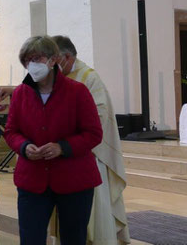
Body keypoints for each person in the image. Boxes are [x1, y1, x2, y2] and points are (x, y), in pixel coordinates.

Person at [3, 36, 102, 245]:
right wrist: (23, 146)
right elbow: (11, 131)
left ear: (53, 59)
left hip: (74, 178)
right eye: (27, 60)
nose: (32, 64)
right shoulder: (21, 93)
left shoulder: (77, 91)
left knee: (73, 238)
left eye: (37, 58)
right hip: (33, 178)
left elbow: (93, 133)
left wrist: (62, 147)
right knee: (31, 239)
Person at [52, 35, 130, 245]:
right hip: (62, 158)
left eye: (55, 60)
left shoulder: (89, 77)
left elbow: (99, 116)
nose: (51, 65)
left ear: (67, 57)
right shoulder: (54, 78)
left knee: (94, 215)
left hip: (89, 156)